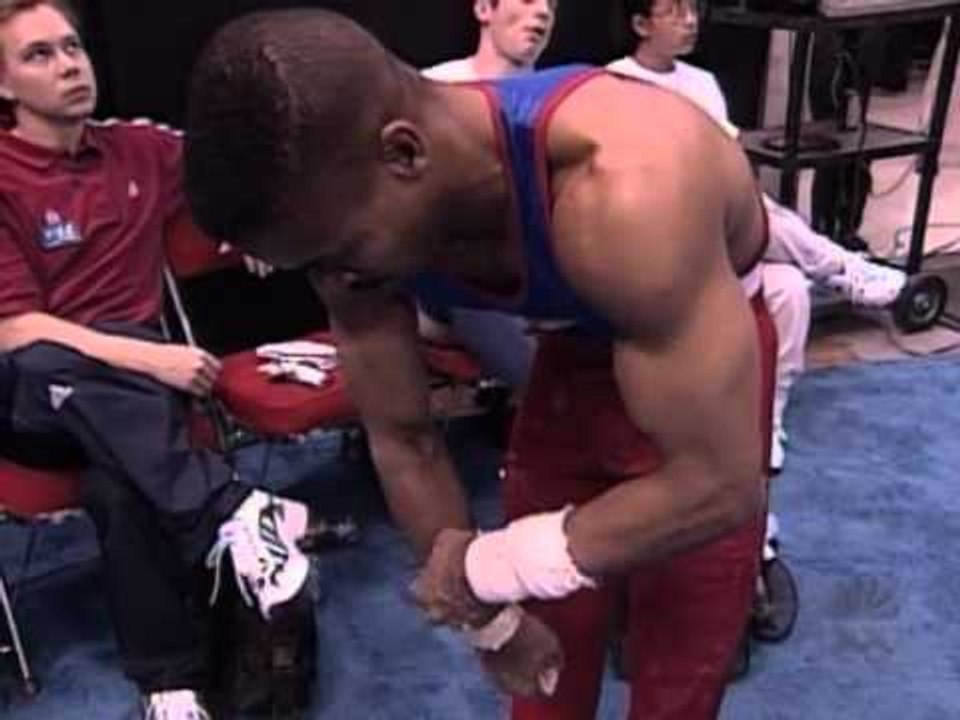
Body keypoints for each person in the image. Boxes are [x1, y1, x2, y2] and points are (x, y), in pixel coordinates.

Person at [185, 9, 778, 719]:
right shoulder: (344, 223)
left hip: (702, 357)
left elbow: (719, 484)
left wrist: (491, 565)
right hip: (572, 350)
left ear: (404, 155)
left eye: (336, 255)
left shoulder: (627, 184)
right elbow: (404, 437)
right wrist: (488, 621)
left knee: (678, 674)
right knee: (542, 666)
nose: (332, 280)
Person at [0, 2, 310, 717]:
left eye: (72, 47)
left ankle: (169, 686)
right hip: (35, 392)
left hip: (132, 399)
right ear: (5, 85)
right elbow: (15, 330)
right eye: (38, 55)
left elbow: (232, 170)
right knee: (51, 360)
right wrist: (154, 364)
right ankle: (232, 509)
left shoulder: (138, 148)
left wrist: (249, 225)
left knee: (120, 486)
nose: (70, 65)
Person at [606, 0, 907, 472]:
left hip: (723, 219)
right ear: (641, 23)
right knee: (758, 217)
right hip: (663, 229)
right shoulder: (613, 85)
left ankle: (767, 419)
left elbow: (730, 160)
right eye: (674, 11)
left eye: (692, 9)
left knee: (789, 288)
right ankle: (842, 267)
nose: (690, 21)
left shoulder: (702, 82)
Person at [417, 0, 558, 389]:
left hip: (542, 275)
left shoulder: (559, 102)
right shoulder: (432, 90)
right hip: (455, 278)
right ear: (484, 9)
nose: (544, 12)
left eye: (551, 4)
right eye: (529, 0)